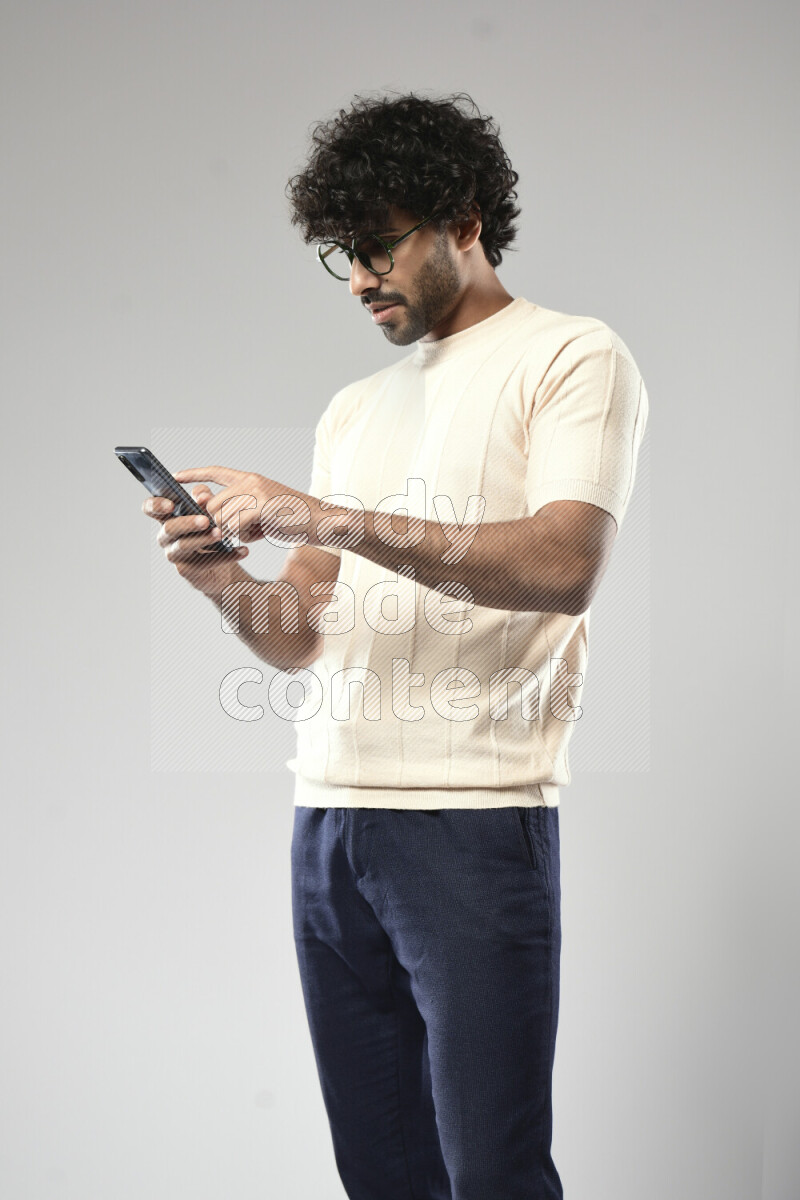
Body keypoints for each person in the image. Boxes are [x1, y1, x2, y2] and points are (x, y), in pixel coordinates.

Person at [143, 92, 648, 1200]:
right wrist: (221, 575)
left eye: (379, 246)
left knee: (490, 1174)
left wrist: (321, 517)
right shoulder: (352, 408)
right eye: (343, 254)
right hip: (327, 822)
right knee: (380, 1175)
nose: (361, 277)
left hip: (471, 823)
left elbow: (564, 565)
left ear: (461, 216)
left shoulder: (570, 356)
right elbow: (298, 636)